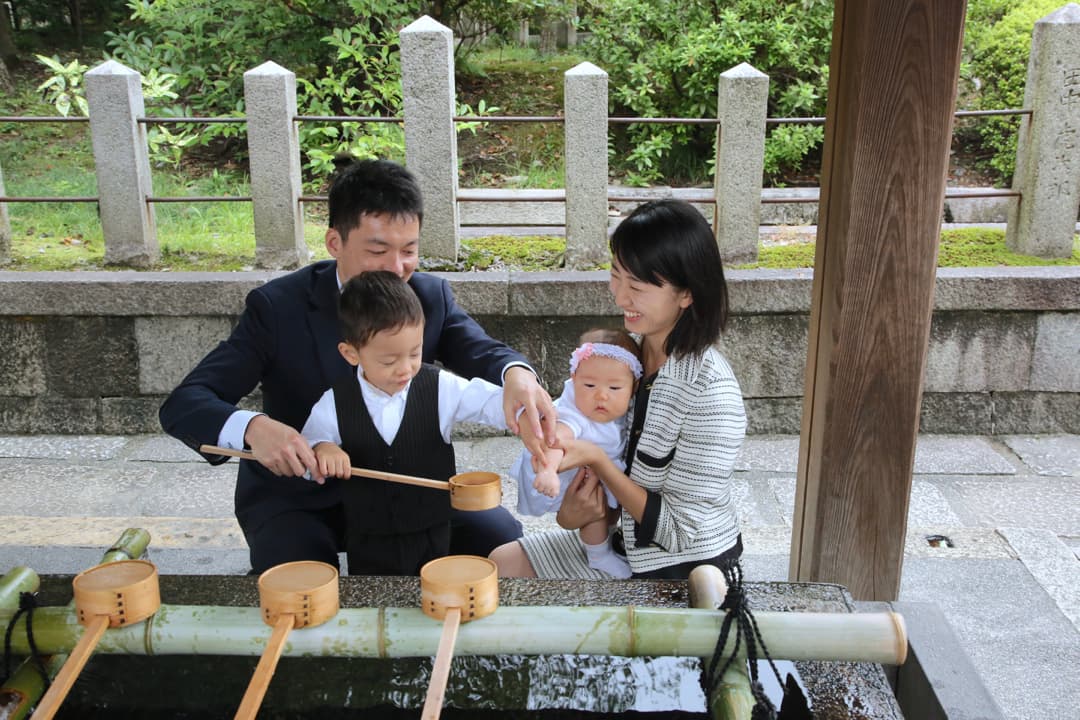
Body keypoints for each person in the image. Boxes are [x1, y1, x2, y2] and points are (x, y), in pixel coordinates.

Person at [160, 157, 555, 574]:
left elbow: (482, 350)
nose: (397, 269)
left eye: (409, 251)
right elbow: (186, 402)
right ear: (335, 242)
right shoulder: (278, 307)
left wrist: (517, 374)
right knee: (297, 580)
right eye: (378, 251)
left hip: (408, 491)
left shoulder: (427, 296)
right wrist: (254, 428)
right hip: (303, 495)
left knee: (500, 541)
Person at [490, 198, 746, 580]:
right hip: (619, 542)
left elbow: (677, 533)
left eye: (637, 286)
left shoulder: (711, 393)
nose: (620, 296)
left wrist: (596, 460)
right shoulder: (625, 357)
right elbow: (579, 428)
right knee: (498, 563)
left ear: (687, 293)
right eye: (616, 275)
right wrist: (574, 510)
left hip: (681, 569)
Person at [302, 271, 512, 575]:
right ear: (351, 353)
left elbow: (490, 404)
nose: (405, 369)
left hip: (433, 532)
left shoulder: (440, 387)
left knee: (435, 589)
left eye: (415, 353)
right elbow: (307, 455)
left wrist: (527, 408)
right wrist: (323, 449)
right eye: (389, 361)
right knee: (374, 598)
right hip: (368, 537)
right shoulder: (334, 402)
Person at [509, 328, 642, 578]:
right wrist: (548, 471)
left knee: (605, 506)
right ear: (574, 378)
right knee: (595, 509)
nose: (601, 395)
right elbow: (556, 441)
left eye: (615, 387)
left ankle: (605, 541)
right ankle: (599, 555)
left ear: (633, 387)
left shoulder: (626, 407)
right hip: (570, 478)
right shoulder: (573, 414)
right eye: (589, 385)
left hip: (599, 470)